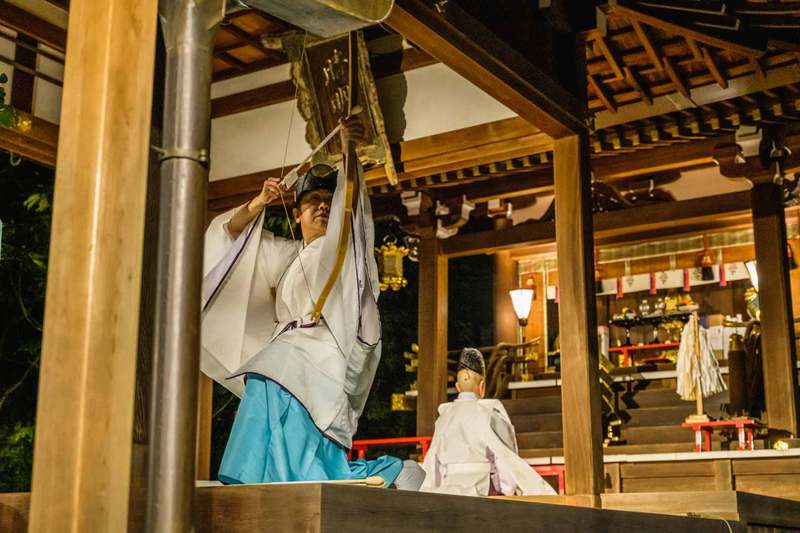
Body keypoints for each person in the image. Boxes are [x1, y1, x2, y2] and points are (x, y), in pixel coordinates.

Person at [202, 114, 422, 489]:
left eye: (327, 201)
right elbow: (229, 237)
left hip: (324, 354)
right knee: (265, 378)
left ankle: (367, 476)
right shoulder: (287, 256)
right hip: (283, 355)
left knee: (298, 430)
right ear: (297, 212)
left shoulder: (341, 250)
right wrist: (259, 202)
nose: (322, 207)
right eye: (312, 201)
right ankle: (257, 485)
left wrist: (349, 153)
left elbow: (352, 211)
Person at [421, 348, 556, 496]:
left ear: (458, 388)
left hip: (448, 491)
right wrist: (507, 489)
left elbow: (433, 464)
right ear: (482, 386)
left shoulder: (444, 417)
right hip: (483, 490)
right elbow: (505, 457)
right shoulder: (489, 412)